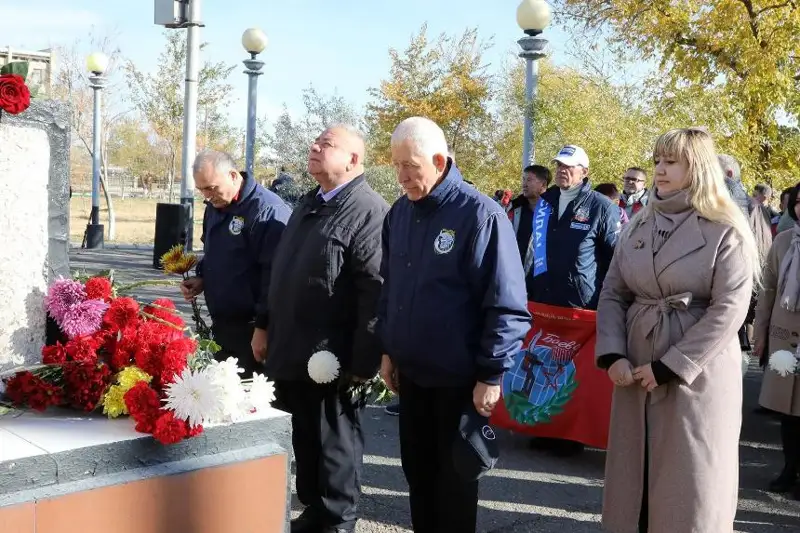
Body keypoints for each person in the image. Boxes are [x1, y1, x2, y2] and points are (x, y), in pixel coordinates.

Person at [596, 127, 759, 532]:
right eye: (656, 161)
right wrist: (613, 352)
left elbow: (729, 309)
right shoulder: (637, 225)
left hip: (695, 377)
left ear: (697, 167)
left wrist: (670, 366)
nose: (660, 170)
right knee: (635, 483)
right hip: (634, 369)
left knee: (689, 486)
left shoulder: (726, 230)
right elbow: (612, 293)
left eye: (671, 162)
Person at [377, 117, 530, 533]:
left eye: (410, 165)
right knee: (419, 477)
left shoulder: (481, 215)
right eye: (396, 165)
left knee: (454, 486)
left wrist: (490, 373)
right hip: (412, 376)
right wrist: (388, 349)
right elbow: (390, 288)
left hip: (459, 382)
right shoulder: (399, 214)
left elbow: (507, 305)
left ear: (440, 160)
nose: (402, 176)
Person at [261, 124, 388, 533]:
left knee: (335, 448)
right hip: (293, 352)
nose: (314, 147)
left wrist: (361, 362)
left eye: (326, 144)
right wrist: (263, 325)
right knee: (306, 444)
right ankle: (315, 511)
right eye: (314, 142)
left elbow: (375, 292)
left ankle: (336, 521)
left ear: (353, 159)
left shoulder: (368, 210)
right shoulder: (309, 202)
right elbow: (281, 271)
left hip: (333, 361)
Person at [181, 150, 290, 379]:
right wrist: (202, 277)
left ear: (232, 175)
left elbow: (276, 278)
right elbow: (213, 250)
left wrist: (263, 328)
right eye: (202, 190)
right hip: (223, 325)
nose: (208, 196)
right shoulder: (216, 204)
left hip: (253, 330)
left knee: (252, 403)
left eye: (211, 188)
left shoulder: (266, 210)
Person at [754, 183, 800, 500]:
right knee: (787, 412)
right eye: (799, 203)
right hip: (784, 339)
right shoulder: (784, 241)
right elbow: (767, 289)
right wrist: (760, 334)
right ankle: (789, 469)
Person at [508, 164, 552, 298]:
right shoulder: (514, 208)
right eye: (523, 179)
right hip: (513, 278)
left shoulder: (553, 211)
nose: (524, 184)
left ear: (543, 184)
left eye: (529, 180)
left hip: (542, 283)